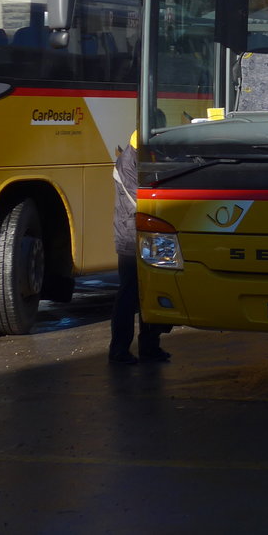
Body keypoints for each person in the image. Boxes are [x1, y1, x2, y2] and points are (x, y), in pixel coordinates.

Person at [109, 132, 170, 364]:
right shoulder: (128, 162)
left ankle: (150, 346)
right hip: (131, 237)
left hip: (151, 233)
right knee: (129, 294)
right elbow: (140, 198)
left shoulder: (146, 157)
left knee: (153, 290)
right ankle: (118, 351)